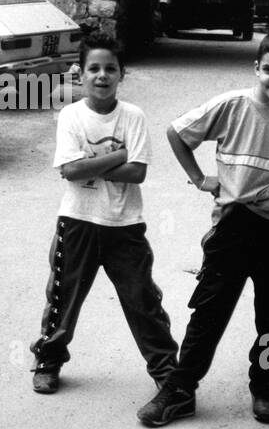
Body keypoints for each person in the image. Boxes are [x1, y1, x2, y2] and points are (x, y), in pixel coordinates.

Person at [136, 30, 269, 427]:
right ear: (255, 68)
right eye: (268, 70)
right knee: (210, 309)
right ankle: (180, 390)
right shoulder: (231, 106)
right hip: (232, 226)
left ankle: (265, 387)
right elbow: (177, 132)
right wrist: (199, 178)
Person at [29, 32, 178, 394]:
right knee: (63, 296)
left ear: (121, 74)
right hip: (78, 221)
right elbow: (70, 172)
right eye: (93, 68)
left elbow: (137, 173)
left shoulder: (133, 116)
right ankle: (48, 362)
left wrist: (89, 163)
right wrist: (120, 155)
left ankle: (166, 371)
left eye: (110, 68)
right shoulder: (71, 116)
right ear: (80, 74)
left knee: (143, 300)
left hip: (124, 225)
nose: (102, 75)